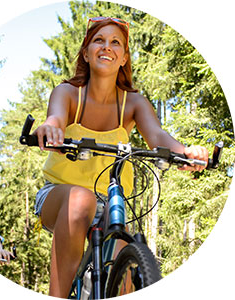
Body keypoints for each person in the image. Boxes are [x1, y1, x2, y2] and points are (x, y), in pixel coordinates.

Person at [32, 17, 208, 298]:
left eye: (116, 43)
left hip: (109, 205)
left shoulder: (133, 103)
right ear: (86, 53)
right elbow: (55, 118)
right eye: (99, 40)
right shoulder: (68, 94)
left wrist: (184, 152)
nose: (107, 47)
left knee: (124, 264)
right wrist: (51, 129)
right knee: (81, 199)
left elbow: (158, 137)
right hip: (60, 197)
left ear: (124, 57)